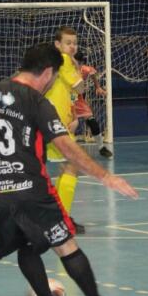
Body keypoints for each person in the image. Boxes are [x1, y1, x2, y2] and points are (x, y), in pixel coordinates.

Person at [0, 43, 138, 296]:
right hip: (30, 189)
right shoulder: (37, 101)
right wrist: (106, 177)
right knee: (65, 245)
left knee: (27, 245)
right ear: (48, 72)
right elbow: (66, 147)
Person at [45, 26, 87, 232]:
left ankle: (59, 216)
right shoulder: (63, 60)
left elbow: (71, 94)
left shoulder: (60, 63)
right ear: (58, 45)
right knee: (73, 165)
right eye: (68, 43)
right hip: (53, 123)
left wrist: (74, 116)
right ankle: (61, 220)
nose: (72, 47)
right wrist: (83, 72)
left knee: (67, 168)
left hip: (57, 122)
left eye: (74, 43)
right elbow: (80, 87)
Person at [73, 50, 113, 158]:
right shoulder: (65, 70)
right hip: (66, 101)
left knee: (92, 122)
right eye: (77, 62)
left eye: (80, 63)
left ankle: (101, 148)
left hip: (79, 100)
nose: (79, 65)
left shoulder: (84, 69)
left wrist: (98, 87)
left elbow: (92, 74)